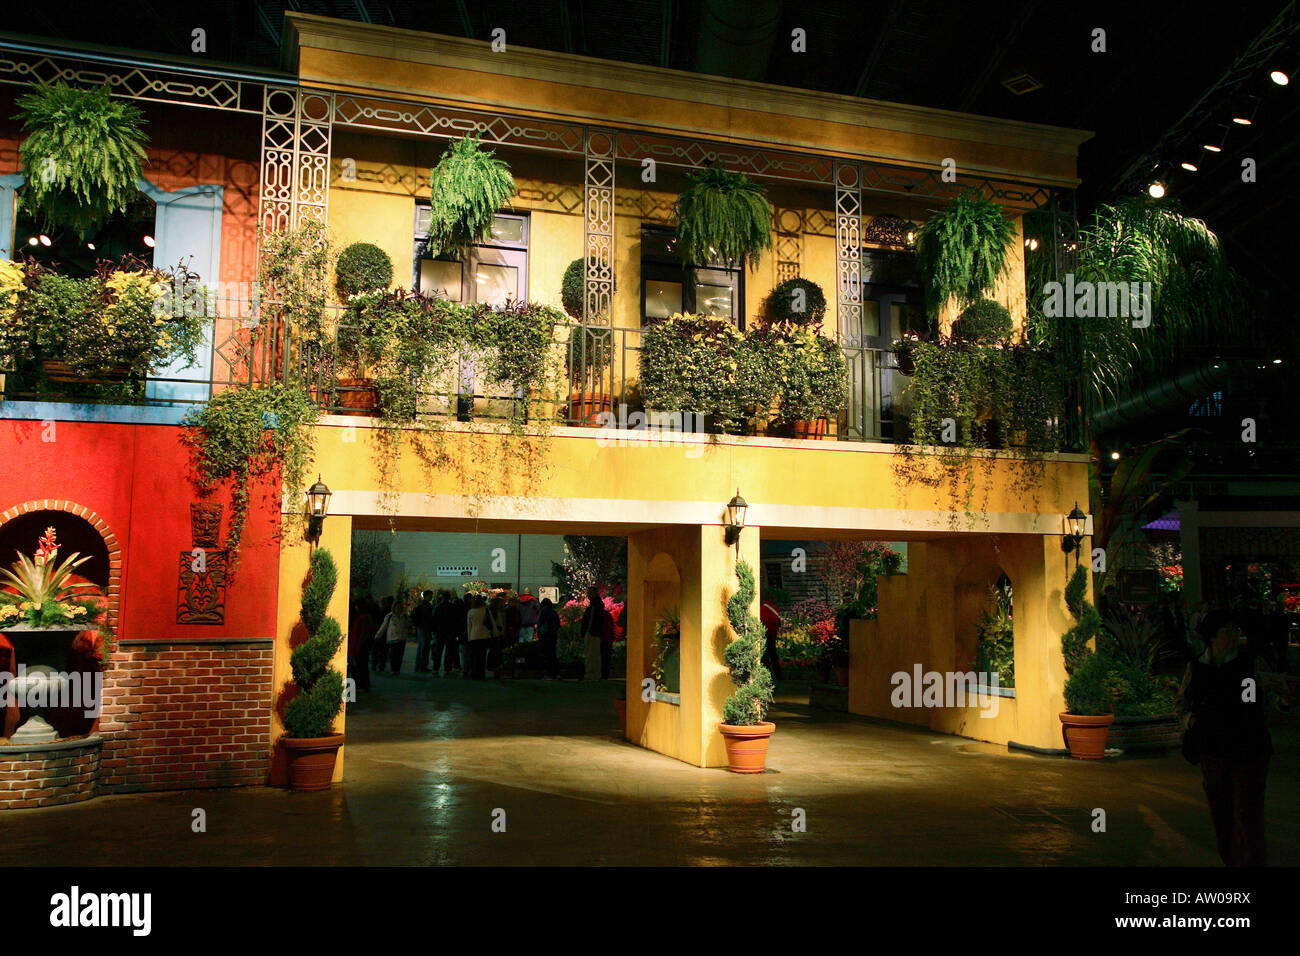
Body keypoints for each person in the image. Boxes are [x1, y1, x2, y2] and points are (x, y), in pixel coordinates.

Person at [1176, 609, 1273, 866]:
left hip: (1248, 748)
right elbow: (1182, 703)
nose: (1233, 636)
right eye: (1227, 631)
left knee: (1248, 811)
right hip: (1213, 750)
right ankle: (1230, 859)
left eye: (1235, 630)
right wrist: (1190, 721)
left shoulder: (1250, 664)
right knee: (1221, 811)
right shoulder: (1197, 667)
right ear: (1213, 637)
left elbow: (1267, 699)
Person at [580, 586, 613, 681]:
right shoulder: (596, 605)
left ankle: (592, 674)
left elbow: (592, 620)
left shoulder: (595, 605)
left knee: (592, 654)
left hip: (593, 633)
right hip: (594, 633)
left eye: (590, 593)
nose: (588, 595)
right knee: (593, 654)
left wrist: (589, 631)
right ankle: (594, 674)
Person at [348, 598, 377, 692]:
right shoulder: (365, 617)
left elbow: (363, 634)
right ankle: (363, 685)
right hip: (362, 645)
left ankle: (361, 685)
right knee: (361, 666)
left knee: (360, 666)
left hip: (361, 646)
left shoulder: (363, 618)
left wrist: (358, 646)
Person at [431, 590, 457, 677]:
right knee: (449, 651)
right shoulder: (452, 607)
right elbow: (455, 620)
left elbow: (434, 619)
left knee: (438, 651)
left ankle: (435, 668)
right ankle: (447, 669)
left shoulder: (437, 607)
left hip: (439, 632)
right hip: (450, 632)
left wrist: (434, 631)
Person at [466, 594, 491, 680]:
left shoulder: (471, 612)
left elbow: (469, 626)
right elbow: (490, 622)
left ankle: (474, 673)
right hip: (484, 635)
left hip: (474, 635)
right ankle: (481, 673)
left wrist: (469, 638)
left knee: (474, 656)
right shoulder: (485, 610)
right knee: (482, 656)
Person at [387, 591, 411, 675]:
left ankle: (397, 669)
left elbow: (407, 626)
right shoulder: (390, 616)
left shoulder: (404, 616)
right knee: (393, 655)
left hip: (401, 638)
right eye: (397, 607)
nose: (399, 609)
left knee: (399, 655)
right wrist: (377, 636)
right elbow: (384, 626)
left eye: (400, 607)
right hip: (392, 638)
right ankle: (393, 669)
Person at [411, 589, 436, 673]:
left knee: (421, 648)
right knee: (424, 648)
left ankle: (419, 666)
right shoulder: (426, 606)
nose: (431, 597)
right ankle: (423, 667)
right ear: (426, 596)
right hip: (425, 629)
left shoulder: (422, 605)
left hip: (421, 628)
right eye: (430, 595)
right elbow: (429, 618)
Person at [760, 594, 783, 681]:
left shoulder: (762, 608)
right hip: (773, 633)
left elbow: (762, 620)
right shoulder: (775, 608)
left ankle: (767, 674)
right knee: (773, 654)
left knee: (765, 655)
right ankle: (778, 675)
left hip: (764, 633)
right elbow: (776, 621)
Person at [538, 597, 561, 679]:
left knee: (546, 654)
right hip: (553, 635)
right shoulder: (554, 612)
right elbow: (558, 624)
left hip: (545, 635)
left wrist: (539, 634)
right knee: (552, 654)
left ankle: (548, 672)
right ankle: (555, 672)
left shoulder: (543, 611)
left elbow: (540, 623)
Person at [371, 596, 394, 673]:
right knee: (383, 650)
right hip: (384, 633)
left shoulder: (380, 610)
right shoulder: (389, 611)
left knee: (377, 650)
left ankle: (376, 665)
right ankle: (380, 666)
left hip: (378, 632)